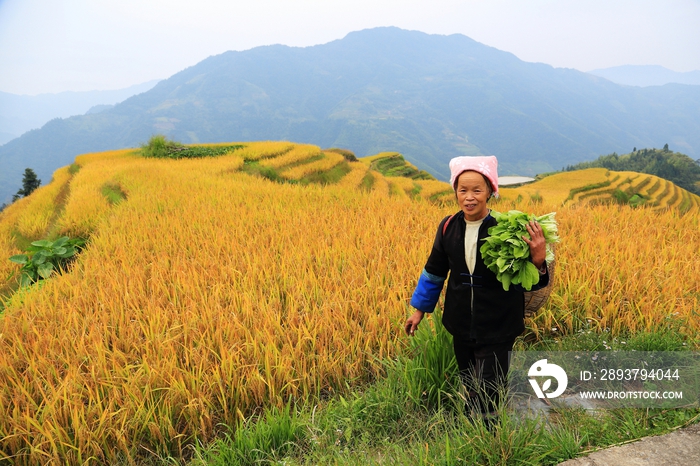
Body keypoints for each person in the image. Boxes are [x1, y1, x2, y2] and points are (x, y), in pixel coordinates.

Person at [404, 155, 549, 425]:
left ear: (491, 192)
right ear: (455, 192)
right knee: (469, 378)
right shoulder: (448, 227)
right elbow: (435, 270)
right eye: (463, 190)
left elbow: (529, 280)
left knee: (490, 386)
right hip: (460, 322)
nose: (469, 197)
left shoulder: (505, 230)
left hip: (497, 323)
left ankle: (490, 436)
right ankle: (474, 429)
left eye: (477, 190)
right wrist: (419, 311)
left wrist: (538, 260)